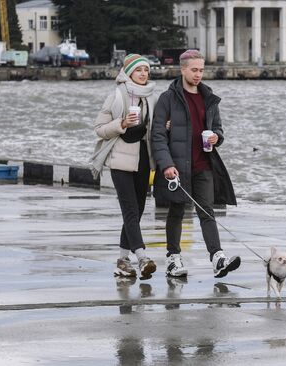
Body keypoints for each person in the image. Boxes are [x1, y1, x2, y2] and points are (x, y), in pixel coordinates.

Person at [151, 49, 240, 278]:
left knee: (206, 211)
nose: (198, 74)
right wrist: (166, 165)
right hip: (177, 167)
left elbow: (219, 129)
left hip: (203, 164)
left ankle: (217, 257)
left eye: (201, 70)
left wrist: (216, 138)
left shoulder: (209, 97)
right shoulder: (167, 99)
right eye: (194, 70)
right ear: (182, 70)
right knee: (177, 210)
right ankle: (173, 259)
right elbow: (158, 136)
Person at [91, 54, 157, 279]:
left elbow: (151, 130)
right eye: (139, 70)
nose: (143, 74)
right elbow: (99, 128)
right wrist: (121, 123)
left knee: (136, 212)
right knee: (129, 210)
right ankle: (142, 257)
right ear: (128, 73)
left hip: (142, 160)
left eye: (146, 70)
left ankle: (122, 261)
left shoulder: (150, 98)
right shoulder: (116, 96)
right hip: (120, 159)